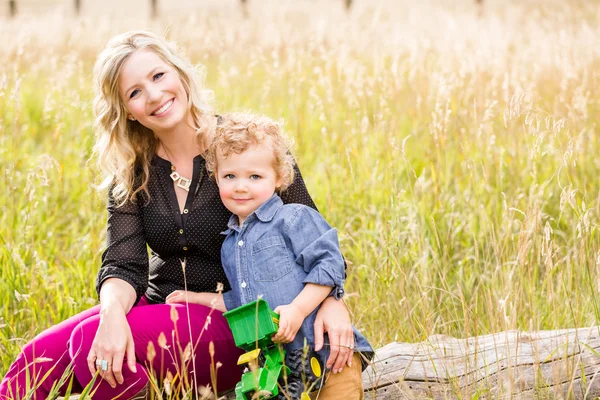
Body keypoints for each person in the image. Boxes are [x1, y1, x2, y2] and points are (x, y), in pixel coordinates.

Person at [0, 31, 358, 400]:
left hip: (237, 317)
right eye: (134, 92)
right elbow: (124, 266)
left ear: (181, 74)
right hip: (160, 304)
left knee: (88, 343)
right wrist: (111, 315)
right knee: (34, 360)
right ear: (125, 110)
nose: (154, 95)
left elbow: (314, 235)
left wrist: (333, 300)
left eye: (158, 76)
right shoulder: (134, 171)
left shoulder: (246, 144)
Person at [165, 112, 373, 399]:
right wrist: (197, 298)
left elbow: (328, 264)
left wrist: (299, 309)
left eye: (254, 176)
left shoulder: (294, 218)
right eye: (230, 176)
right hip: (283, 370)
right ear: (216, 178)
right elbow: (242, 300)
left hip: (329, 353)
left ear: (279, 178)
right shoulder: (230, 244)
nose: (241, 186)